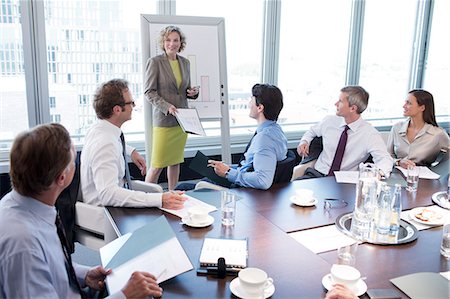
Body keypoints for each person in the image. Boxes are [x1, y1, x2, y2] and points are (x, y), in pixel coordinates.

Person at [0, 123, 162, 298]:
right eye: (74, 159)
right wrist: (125, 295)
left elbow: (48, 264)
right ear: (62, 177)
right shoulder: (24, 246)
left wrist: (82, 274)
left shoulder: (26, 207)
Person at [81, 79, 185, 209]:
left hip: (113, 208)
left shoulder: (100, 131)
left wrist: (130, 152)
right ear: (117, 110)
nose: (134, 106)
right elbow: (108, 194)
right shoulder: (105, 143)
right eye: (131, 103)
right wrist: (159, 200)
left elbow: (110, 147)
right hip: (108, 215)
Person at [144, 25, 199, 190]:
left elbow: (185, 90)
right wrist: (167, 107)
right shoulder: (155, 62)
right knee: (157, 164)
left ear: (180, 42)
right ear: (163, 41)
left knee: (175, 161)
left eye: (175, 40)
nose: (172, 43)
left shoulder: (185, 63)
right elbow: (149, 92)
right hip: (164, 120)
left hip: (181, 121)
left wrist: (193, 93)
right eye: (168, 40)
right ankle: (143, 199)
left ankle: (173, 195)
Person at [296, 86, 393, 179]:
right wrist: (304, 141)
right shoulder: (329, 121)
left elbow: (385, 159)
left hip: (344, 182)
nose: (335, 104)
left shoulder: (370, 134)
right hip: (317, 175)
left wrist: (377, 174)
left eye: (340, 101)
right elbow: (312, 131)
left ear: (353, 108)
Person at [206, 83, 288, 190]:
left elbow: (263, 180)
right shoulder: (276, 130)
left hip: (242, 190)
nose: (249, 104)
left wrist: (228, 172)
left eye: (251, 100)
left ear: (260, 107)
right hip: (242, 179)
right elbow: (252, 166)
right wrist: (227, 168)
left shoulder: (265, 139)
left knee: (185, 186)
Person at [387, 89, 450, 168]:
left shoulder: (437, 134)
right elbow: (387, 156)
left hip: (423, 177)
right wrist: (398, 162)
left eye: (409, 103)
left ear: (422, 108)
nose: (404, 106)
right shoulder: (397, 128)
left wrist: (439, 170)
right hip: (397, 175)